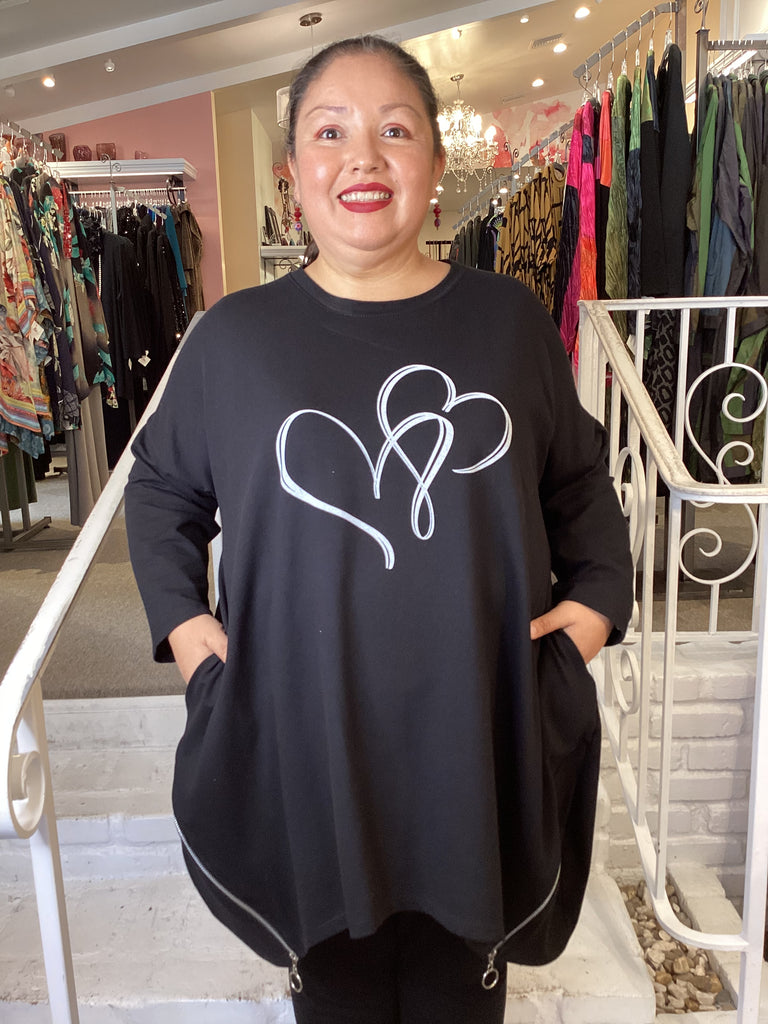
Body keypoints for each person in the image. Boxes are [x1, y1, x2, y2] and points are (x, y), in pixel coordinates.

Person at [125, 34, 634, 1024]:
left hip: (478, 736)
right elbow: (159, 491)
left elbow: (578, 479)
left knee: (462, 991)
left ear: (435, 165)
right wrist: (187, 632)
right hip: (308, 743)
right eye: (330, 132)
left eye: (395, 130)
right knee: (337, 992)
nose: (363, 157)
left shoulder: (509, 324)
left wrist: (595, 608)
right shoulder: (234, 340)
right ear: (292, 172)